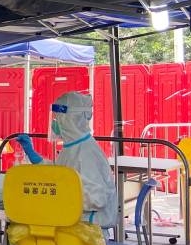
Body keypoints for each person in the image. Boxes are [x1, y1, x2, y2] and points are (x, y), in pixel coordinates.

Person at [15, 91, 116, 227]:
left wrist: (59, 195)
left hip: (88, 229)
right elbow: (61, 173)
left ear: (69, 120)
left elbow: (97, 199)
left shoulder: (86, 152)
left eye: (57, 119)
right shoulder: (72, 147)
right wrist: (35, 157)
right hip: (75, 222)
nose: (54, 124)